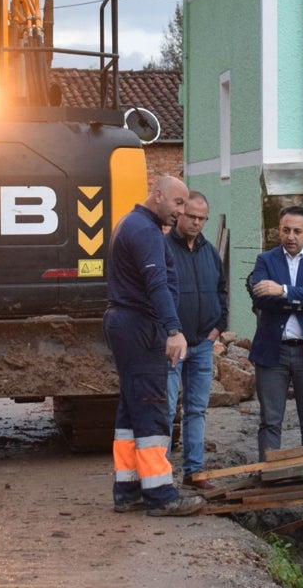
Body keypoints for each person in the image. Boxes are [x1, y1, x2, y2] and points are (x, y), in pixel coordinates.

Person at [103, 175, 203, 516]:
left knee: (132, 408)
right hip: (140, 326)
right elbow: (156, 283)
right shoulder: (145, 231)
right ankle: (161, 495)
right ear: (157, 196)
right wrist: (173, 330)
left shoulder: (130, 224)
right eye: (177, 204)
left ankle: (128, 489)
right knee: (150, 405)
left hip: (126, 323)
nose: (181, 212)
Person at [249, 205, 303, 461]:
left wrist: (283, 290)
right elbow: (261, 298)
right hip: (273, 351)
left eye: (297, 231)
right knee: (270, 421)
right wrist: (301, 295)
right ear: (279, 231)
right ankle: (269, 480)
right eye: (286, 230)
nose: (291, 236)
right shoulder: (265, 260)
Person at [164, 191, 228, 490]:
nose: (197, 223)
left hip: (202, 343)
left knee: (196, 410)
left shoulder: (210, 252)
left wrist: (217, 327)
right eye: (192, 217)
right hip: (171, 345)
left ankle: (194, 472)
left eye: (202, 219)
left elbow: (221, 290)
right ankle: (160, 474)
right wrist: (166, 332)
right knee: (164, 410)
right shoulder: (162, 249)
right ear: (179, 214)